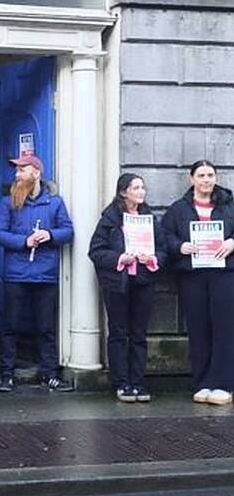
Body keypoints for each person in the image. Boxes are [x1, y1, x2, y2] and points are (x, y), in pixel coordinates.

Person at [0, 154, 74, 392]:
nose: (17, 175)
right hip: (16, 274)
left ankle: (49, 373)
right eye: (17, 170)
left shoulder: (55, 203)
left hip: (45, 274)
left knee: (46, 327)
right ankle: (6, 374)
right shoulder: (8, 203)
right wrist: (24, 241)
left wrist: (50, 235)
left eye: (22, 170)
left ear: (36, 173)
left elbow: (68, 231)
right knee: (10, 326)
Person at [161, 160, 234, 405]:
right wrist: (180, 246)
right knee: (198, 328)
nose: (206, 180)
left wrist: (232, 242)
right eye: (201, 175)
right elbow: (165, 237)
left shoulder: (229, 204)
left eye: (210, 175)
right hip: (192, 275)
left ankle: (223, 384)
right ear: (191, 179)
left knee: (224, 328)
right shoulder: (178, 209)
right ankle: (202, 382)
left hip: (224, 274)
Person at [89, 173, 166, 402]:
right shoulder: (110, 219)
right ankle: (122, 383)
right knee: (119, 333)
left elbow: (163, 250)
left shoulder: (150, 218)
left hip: (143, 281)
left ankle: (138, 382)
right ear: (123, 192)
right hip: (118, 283)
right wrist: (120, 258)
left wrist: (151, 259)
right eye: (136, 188)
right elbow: (96, 251)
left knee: (139, 334)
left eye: (143, 188)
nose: (141, 192)